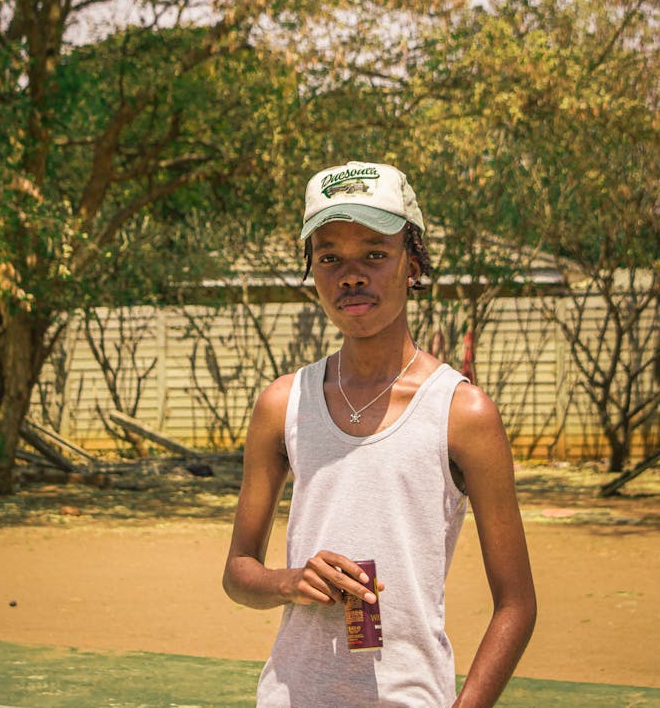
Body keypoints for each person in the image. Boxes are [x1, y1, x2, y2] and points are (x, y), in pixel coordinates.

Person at [222, 160, 536, 707]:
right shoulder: (283, 404)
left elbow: (517, 605)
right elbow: (237, 572)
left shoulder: (461, 412)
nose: (351, 275)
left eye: (374, 253)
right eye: (329, 258)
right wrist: (290, 582)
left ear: (411, 264)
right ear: (312, 271)